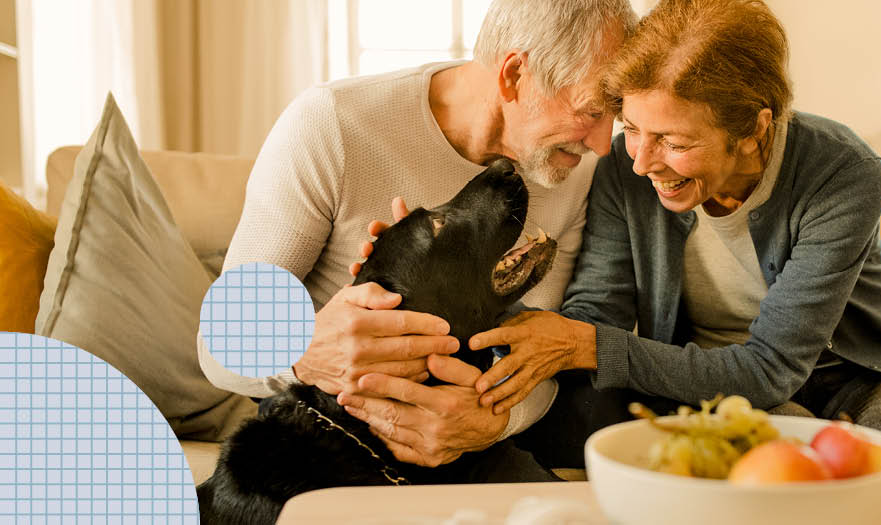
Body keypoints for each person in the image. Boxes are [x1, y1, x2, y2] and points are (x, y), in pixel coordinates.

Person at [463, 0, 881, 449]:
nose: (642, 163)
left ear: (753, 130)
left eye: (674, 142)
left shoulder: (842, 170)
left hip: (868, 375)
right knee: (768, 451)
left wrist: (588, 345)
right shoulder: (622, 168)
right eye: (632, 129)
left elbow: (771, 368)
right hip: (710, 384)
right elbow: (596, 315)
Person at [197, 0, 638, 476]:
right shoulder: (334, 123)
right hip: (327, 436)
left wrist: (497, 419)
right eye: (591, 111)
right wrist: (305, 353)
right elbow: (217, 348)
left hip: (471, 436)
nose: (601, 143)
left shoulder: (574, 168)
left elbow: (539, 353)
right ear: (513, 75)